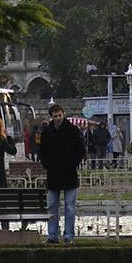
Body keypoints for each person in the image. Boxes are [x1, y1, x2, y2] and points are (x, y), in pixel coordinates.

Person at [38, 104, 86, 244]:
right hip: (53, 174)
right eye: (55, 116)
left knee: (69, 207)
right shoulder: (47, 132)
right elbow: (42, 152)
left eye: (60, 115)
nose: (58, 118)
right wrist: (47, 164)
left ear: (63, 114)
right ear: (51, 117)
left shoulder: (72, 130)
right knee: (52, 206)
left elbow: (80, 150)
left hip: (69, 173)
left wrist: (73, 162)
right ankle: (53, 235)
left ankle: (69, 236)